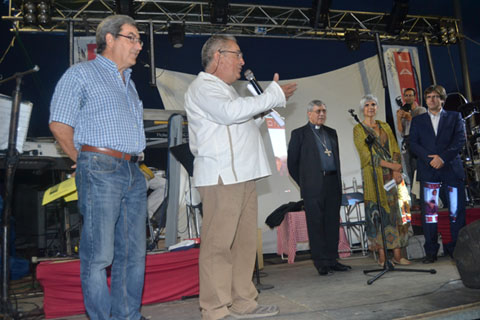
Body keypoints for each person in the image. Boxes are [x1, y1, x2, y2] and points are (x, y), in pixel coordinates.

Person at [184, 35, 296, 320]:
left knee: (244, 244)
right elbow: (230, 115)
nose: (243, 61)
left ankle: (243, 302)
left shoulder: (226, 90)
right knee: (218, 245)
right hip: (222, 177)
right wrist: (271, 96)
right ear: (218, 56)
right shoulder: (202, 87)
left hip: (243, 176)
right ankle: (215, 309)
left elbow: (239, 125)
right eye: (238, 55)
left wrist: (261, 111)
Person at [49, 15, 148, 320]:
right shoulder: (81, 74)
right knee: (99, 255)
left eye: (140, 40)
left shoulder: (130, 86)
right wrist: (83, 160)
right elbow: (59, 123)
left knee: (133, 255)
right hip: (99, 166)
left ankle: (127, 316)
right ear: (110, 39)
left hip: (133, 170)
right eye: (132, 38)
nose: (139, 46)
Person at [287, 100, 351, 275]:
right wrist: (306, 183)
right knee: (315, 224)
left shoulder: (331, 133)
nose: (321, 114)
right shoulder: (299, 134)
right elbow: (292, 164)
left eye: (323, 110)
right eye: (317, 111)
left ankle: (332, 259)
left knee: (332, 223)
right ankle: (320, 262)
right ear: (309, 114)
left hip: (332, 183)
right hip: (312, 187)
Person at [409, 84, 466, 263]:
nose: (431, 100)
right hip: (429, 172)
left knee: (456, 212)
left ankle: (458, 250)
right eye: (428, 97)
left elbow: (460, 140)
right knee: (431, 214)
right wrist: (430, 159)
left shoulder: (455, 117)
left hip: (451, 171)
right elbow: (413, 144)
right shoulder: (418, 120)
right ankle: (431, 252)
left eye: (435, 96)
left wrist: (442, 158)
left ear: (442, 99)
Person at [353, 94, 411, 267]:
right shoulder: (358, 129)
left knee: (398, 214)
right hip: (374, 177)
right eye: (367, 105)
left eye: (373, 104)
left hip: (393, 177)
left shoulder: (384, 125)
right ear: (362, 109)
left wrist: (396, 169)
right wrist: (391, 166)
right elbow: (366, 155)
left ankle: (398, 256)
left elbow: (394, 147)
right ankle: (383, 257)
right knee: (378, 214)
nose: (370, 107)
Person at [396, 88, 427, 187]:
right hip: (407, 141)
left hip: (418, 140)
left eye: (410, 95)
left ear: (414, 97)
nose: (408, 98)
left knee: (418, 167)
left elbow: (421, 125)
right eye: (406, 96)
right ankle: (415, 194)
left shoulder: (420, 110)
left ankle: (422, 190)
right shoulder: (403, 110)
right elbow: (400, 130)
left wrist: (408, 116)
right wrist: (398, 118)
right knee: (409, 169)